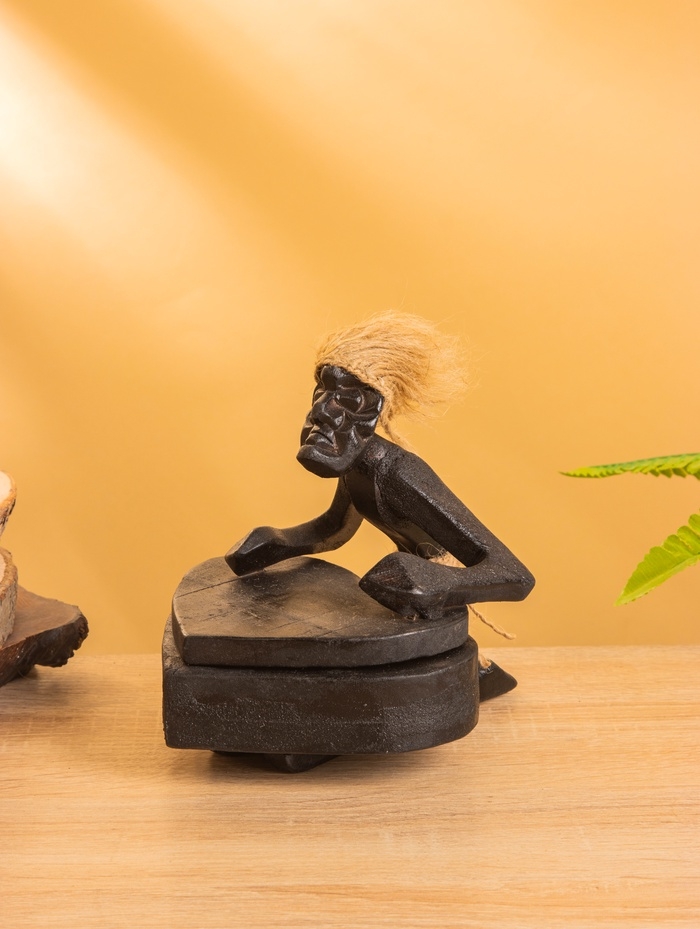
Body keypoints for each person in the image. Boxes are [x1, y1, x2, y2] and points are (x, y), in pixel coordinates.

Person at [226, 313, 534, 679]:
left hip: (428, 606)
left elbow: (514, 574)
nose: (321, 411)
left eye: (348, 399)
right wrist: (278, 542)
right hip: (406, 598)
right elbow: (334, 528)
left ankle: (472, 675)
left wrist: (431, 578)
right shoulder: (359, 467)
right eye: (322, 393)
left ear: (373, 413)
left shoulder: (399, 472)